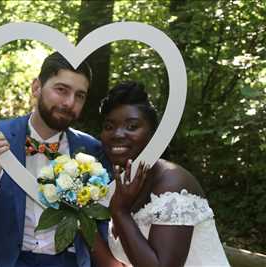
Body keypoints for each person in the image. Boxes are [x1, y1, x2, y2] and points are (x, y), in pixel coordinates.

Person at [0, 52, 109, 267]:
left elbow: (101, 226)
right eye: (61, 90)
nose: (69, 102)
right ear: (36, 87)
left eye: (80, 95)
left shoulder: (92, 150)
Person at [93, 81, 230, 267]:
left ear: (153, 134)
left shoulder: (174, 183)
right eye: (109, 126)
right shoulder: (114, 185)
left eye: (132, 126)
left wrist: (120, 212)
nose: (117, 134)